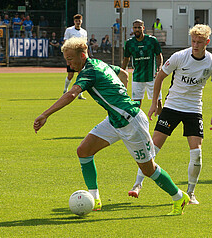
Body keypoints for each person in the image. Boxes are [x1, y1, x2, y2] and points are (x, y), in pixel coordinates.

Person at [34, 37, 190, 216]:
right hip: (114, 120)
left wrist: (45, 114)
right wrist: (121, 92)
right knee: (84, 150)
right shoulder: (98, 63)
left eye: (70, 59)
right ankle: (95, 199)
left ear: (82, 55)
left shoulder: (89, 71)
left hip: (131, 123)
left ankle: (179, 196)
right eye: (66, 59)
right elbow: (123, 73)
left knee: (148, 170)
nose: (68, 63)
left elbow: (72, 94)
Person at [128, 24, 212, 205]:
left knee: (197, 154)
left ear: (207, 42)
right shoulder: (179, 57)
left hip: (194, 110)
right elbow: (160, 77)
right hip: (172, 107)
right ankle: (137, 184)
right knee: (152, 149)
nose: (195, 45)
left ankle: (191, 193)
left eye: (199, 42)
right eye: (193, 41)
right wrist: (155, 103)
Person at [121, 19, 163, 111]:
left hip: (152, 76)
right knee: (136, 104)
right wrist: (122, 72)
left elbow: (159, 55)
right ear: (133, 29)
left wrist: (159, 68)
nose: (137, 30)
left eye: (139, 27)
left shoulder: (152, 40)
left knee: (158, 102)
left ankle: (162, 122)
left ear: (143, 28)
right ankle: (137, 123)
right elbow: (126, 59)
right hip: (137, 77)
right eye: (135, 28)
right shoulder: (129, 43)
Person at [62, 14, 87, 99]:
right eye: (76, 21)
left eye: (79, 21)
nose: (78, 22)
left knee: (81, 75)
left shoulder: (84, 32)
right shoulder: (69, 30)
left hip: (80, 57)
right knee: (70, 75)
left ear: (81, 21)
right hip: (72, 56)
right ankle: (65, 90)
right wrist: (67, 56)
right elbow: (65, 42)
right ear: (74, 21)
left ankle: (80, 94)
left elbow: (84, 44)